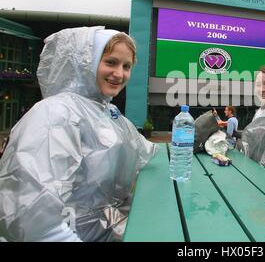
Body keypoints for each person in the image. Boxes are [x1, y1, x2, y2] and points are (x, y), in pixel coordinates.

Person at [0, 26, 157, 242]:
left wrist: (204, 127)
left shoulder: (106, 113)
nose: (119, 74)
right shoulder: (56, 113)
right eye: (110, 62)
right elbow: (32, 218)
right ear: (83, 61)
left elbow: (144, 151)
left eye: (126, 66)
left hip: (106, 230)